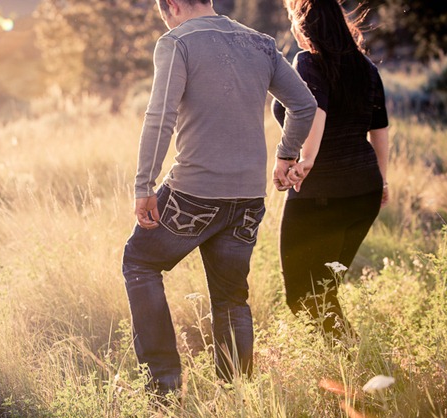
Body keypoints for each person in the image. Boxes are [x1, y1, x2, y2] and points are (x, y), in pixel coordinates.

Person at [122, 0, 317, 396]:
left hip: (194, 192)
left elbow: (160, 117)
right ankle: (238, 394)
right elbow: (304, 104)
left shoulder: (177, 42)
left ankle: (163, 385)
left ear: (172, 5)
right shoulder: (261, 43)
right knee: (231, 296)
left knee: (140, 262)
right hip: (248, 198)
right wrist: (287, 154)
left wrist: (145, 185)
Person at [273, 0, 390, 344]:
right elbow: (379, 129)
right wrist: (382, 181)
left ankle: (352, 362)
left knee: (303, 296)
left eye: (294, 19)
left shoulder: (308, 62)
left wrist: (304, 160)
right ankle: (350, 364)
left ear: (304, 24)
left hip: (322, 194)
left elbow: (316, 112)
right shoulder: (366, 67)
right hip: (364, 192)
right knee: (324, 290)